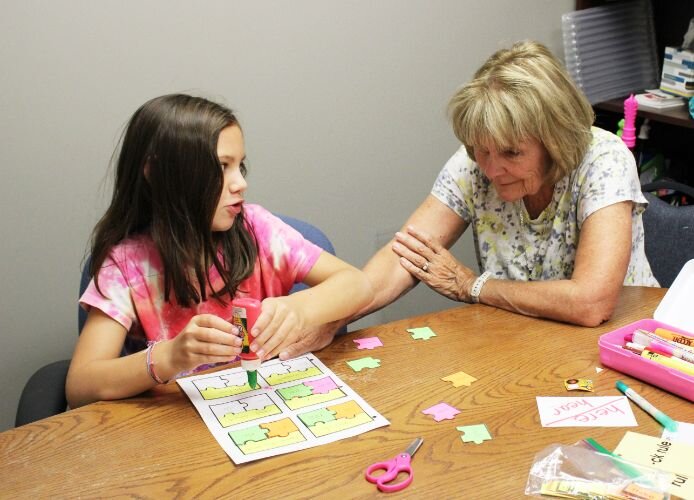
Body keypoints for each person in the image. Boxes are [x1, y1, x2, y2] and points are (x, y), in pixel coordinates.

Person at [264, 40, 658, 361]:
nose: (491, 168)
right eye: (480, 150)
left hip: (623, 345)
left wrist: (473, 285)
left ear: (556, 142)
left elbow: (590, 302)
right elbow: (407, 255)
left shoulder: (603, 159)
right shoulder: (475, 161)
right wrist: (331, 319)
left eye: (511, 154)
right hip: (522, 338)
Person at [65, 93, 373, 408]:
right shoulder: (126, 266)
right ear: (157, 174)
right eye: (222, 167)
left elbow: (358, 284)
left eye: (240, 166)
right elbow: (80, 385)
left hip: (266, 408)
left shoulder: (258, 230)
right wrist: (171, 356)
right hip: (176, 431)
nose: (240, 183)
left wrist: (300, 309)